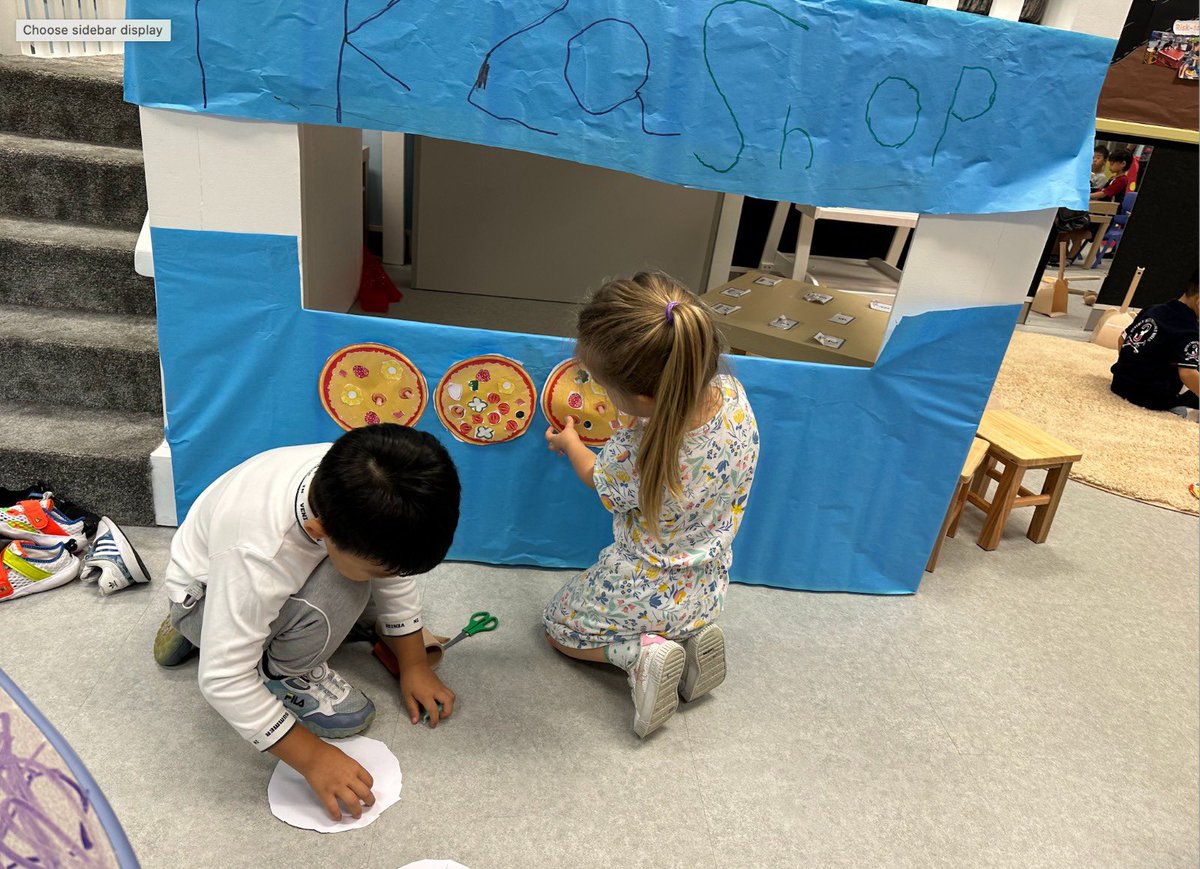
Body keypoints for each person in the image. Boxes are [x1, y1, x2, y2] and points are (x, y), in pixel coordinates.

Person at [153, 425, 461, 820]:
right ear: (319, 532)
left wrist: (414, 663)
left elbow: (393, 571)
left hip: (232, 576)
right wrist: (313, 758)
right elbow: (223, 679)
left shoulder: (361, 478)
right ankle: (274, 667)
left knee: (361, 578)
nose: (394, 577)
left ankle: (229, 627)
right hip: (204, 593)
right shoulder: (258, 554)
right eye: (383, 570)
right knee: (348, 591)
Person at [543, 273, 760, 738]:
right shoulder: (736, 400)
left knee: (557, 627)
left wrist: (570, 443)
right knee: (679, 617)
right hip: (707, 587)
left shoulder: (636, 448)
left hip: (640, 587)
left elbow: (598, 480)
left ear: (642, 398)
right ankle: (693, 636)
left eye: (602, 385)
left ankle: (638, 655)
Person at [1110, 269, 1200, 417]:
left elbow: (1122, 339)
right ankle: (1181, 410)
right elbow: (1188, 374)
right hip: (1151, 397)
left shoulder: (1152, 310)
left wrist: (1133, 367)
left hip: (1119, 383)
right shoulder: (1188, 331)